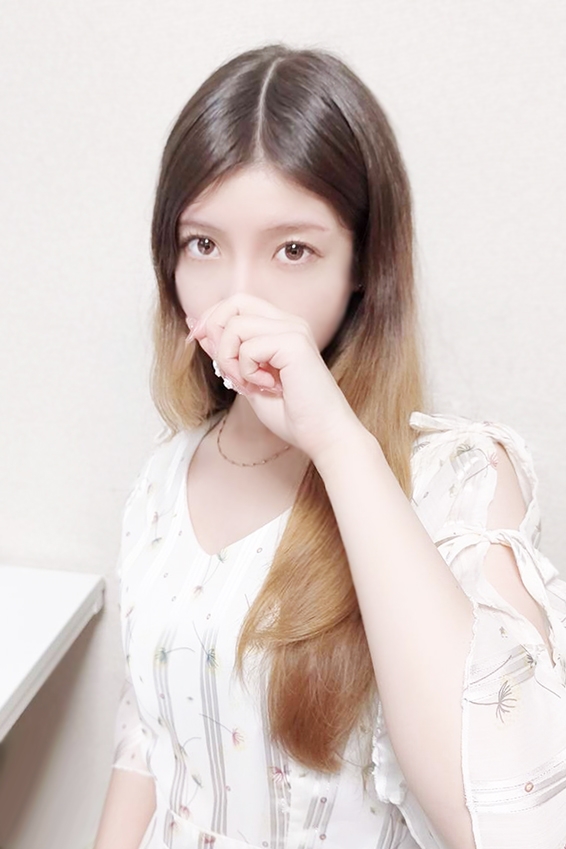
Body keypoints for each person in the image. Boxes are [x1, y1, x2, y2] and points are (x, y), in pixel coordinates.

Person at [93, 43, 566, 849]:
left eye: (293, 249)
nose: (239, 295)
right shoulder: (161, 482)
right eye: (202, 244)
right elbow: (148, 734)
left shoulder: (457, 481)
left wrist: (338, 444)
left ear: (361, 267)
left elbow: (508, 818)